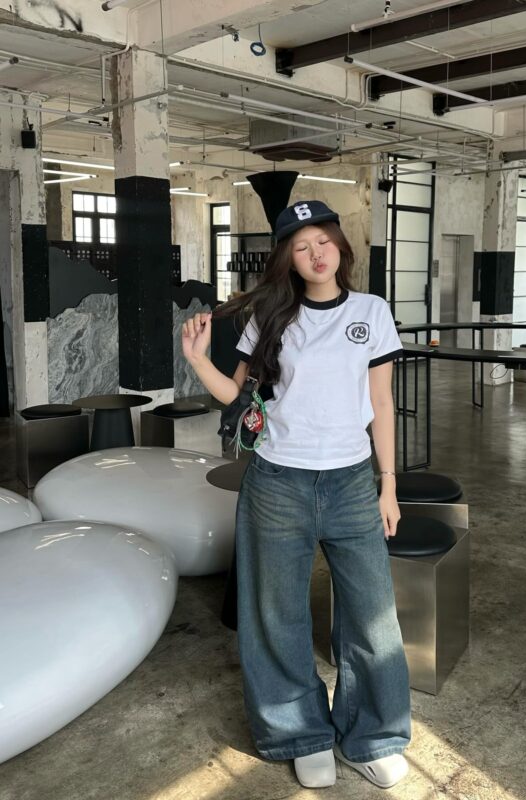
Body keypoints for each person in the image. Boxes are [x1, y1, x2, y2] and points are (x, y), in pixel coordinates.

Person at [182, 200, 411, 790]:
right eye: (301, 246)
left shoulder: (371, 311)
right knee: (277, 613)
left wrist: (388, 483)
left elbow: (382, 403)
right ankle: (299, 733)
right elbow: (235, 395)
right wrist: (197, 360)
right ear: (288, 257)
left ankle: (373, 734)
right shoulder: (270, 315)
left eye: (323, 241)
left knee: (372, 615)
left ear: (340, 245)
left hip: (352, 481)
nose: (316, 254)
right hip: (277, 481)